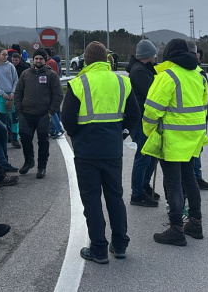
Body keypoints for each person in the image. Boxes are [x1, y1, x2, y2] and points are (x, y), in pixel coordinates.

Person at [61, 41, 140, 264]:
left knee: (92, 199)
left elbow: (67, 118)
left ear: (85, 60)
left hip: (87, 151)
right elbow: (134, 114)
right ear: (107, 59)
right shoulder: (121, 81)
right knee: (115, 196)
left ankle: (98, 248)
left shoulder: (79, 83)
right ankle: (120, 243)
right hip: (113, 149)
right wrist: (121, 133)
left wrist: (78, 136)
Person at [142, 39, 208, 246]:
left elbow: (152, 110)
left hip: (172, 138)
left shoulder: (168, 76)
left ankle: (176, 229)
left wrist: (149, 131)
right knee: (189, 178)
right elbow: (205, 106)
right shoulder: (199, 75)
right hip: (194, 137)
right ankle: (195, 223)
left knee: (172, 183)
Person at [13, 48, 63, 178]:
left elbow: (58, 95)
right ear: (33, 60)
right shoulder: (25, 74)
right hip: (26, 113)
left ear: (45, 60)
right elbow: (18, 93)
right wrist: (19, 110)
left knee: (43, 142)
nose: (38, 61)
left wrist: (50, 112)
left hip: (43, 114)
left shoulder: (51, 75)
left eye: (41, 58)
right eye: (36, 58)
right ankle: (29, 161)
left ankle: (42, 167)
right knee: (25, 139)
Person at [125, 39, 161, 207]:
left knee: (150, 155)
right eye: (154, 53)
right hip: (140, 120)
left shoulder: (145, 69)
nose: (155, 56)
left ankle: (144, 186)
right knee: (143, 156)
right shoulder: (139, 71)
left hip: (146, 120)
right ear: (148, 55)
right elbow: (151, 93)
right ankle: (137, 194)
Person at [193, 48, 208, 190]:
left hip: (202, 116)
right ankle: (196, 177)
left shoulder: (201, 73)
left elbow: (207, 96)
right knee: (195, 148)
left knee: (198, 148)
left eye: (198, 57)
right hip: (195, 118)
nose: (196, 59)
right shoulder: (193, 73)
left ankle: (197, 176)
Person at [0, 47, 20, 148]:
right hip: (1, 96)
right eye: (3, 54)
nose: (5, 56)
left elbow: (16, 80)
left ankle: (15, 138)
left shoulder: (10, 66)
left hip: (11, 96)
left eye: (6, 55)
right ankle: (4, 138)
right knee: (3, 119)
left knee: (14, 118)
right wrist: (2, 93)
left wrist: (12, 92)